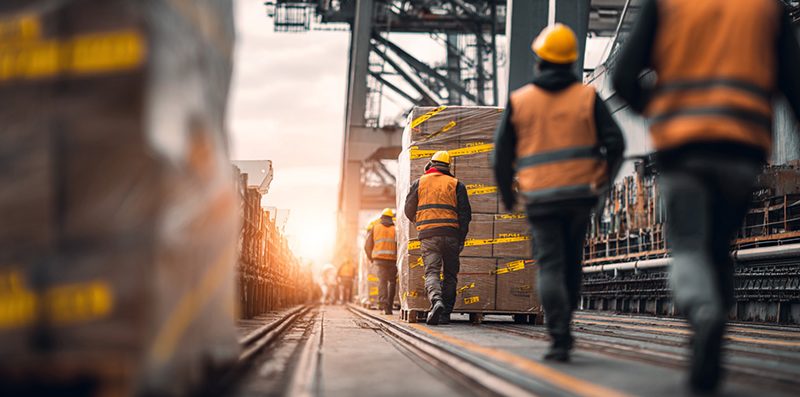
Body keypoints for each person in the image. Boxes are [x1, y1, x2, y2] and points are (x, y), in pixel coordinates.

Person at [611, 0, 800, 392]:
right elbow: (794, 88)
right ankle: (710, 350)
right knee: (719, 248)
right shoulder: (766, 9)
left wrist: (660, 109)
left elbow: (623, 77)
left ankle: (703, 311)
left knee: (690, 245)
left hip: (684, 150)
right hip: (741, 151)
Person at [493, 24, 625, 362]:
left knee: (549, 265)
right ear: (569, 62)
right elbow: (616, 143)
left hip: (540, 199)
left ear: (540, 59)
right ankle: (565, 327)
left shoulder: (520, 102)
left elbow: (501, 156)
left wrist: (509, 197)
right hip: (580, 197)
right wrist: (604, 184)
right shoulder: (587, 98)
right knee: (571, 265)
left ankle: (559, 336)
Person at [404, 151, 472, 325]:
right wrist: (461, 239)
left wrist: (419, 224)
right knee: (450, 274)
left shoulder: (419, 183)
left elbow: (408, 210)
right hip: (451, 236)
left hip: (429, 236)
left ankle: (436, 301)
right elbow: (465, 216)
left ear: (430, 164)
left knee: (432, 272)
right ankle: (445, 314)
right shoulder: (457, 184)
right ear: (448, 166)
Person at [364, 208, 398, 314]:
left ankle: (383, 305)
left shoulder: (375, 228)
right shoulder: (396, 229)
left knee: (382, 282)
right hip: (393, 259)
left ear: (382, 217)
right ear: (391, 217)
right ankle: (389, 307)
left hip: (379, 259)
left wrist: (371, 258)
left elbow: (367, 246)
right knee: (392, 282)